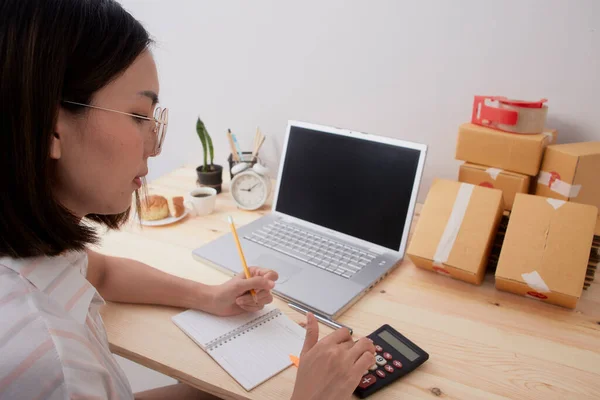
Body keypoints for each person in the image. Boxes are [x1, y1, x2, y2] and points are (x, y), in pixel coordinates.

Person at [0, 1, 376, 399]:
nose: (154, 147)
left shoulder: (31, 256)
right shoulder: (53, 366)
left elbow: (101, 272)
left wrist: (210, 297)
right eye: (139, 116)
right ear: (50, 130)